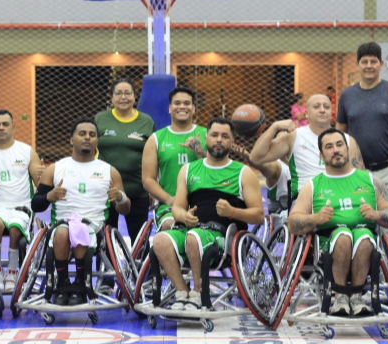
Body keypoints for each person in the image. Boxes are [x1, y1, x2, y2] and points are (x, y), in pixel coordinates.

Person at [151, 118, 265, 310]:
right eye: (214, 135)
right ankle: (182, 292)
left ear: (231, 142)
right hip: (192, 230)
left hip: (222, 238)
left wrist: (233, 211)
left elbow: (259, 215)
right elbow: (178, 207)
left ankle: (198, 293)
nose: (219, 139)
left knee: (194, 237)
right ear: (206, 138)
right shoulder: (188, 170)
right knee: (160, 239)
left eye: (225, 136)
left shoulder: (243, 172)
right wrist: (183, 216)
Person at [288, 128, 388, 317]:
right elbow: (292, 222)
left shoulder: (370, 180)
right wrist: (315, 218)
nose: (336, 150)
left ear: (348, 150)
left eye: (340, 145)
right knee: (343, 235)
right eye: (329, 147)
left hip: (365, 238)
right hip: (329, 243)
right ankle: (340, 297)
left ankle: (356, 298)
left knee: (364, 237)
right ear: (322, 155)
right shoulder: (313, 185)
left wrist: (376, 215)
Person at [32, 118, 130, 306]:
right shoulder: (55, 169)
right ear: (71, 140)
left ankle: (80, 285)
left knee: (81, 230)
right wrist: (49, 196)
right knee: (63, 231)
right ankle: (62, 284)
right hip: (62, 225)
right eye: (82, 134)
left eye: (92, 135)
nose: (87, 138)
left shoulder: (109, 171)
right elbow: (36, 205)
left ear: (96, 141)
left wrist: (120, 198)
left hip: (95, 227)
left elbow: (125, 210)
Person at [336, 42, 388, 258]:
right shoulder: (347, 95)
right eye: (364, 62)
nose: (369, 66)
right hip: (358, 175)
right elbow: (340, 135)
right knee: (359, 228)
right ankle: (365, 283)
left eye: (373, 62)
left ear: (381, 64)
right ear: (357, 65)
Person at [0, 109, 45, 292]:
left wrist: (44, 176)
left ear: (13, 127)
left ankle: (12, 272)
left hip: (21, 207)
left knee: (14, 228)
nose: (1, 128)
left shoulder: (27, 151)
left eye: (5, 124)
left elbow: (40, 185)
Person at [251, 94, 364, 200]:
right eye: (316, 106)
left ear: (332, 112)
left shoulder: (347, 140)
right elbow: (256, 157)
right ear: (306, 114)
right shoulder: (294, 136)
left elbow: (360, 178)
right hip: (305, 201)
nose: (322, 110)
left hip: (340, 198)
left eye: (326, 107)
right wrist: (274, 127)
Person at [95, 78, 155, 237]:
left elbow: (154, 157)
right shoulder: (100, 119)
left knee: (140, 243)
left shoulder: (146, 121)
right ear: (112, 97)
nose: (123, 97)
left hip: (138, 191)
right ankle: (107, 264)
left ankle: (137, 264)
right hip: (105, 191)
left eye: (128, 93)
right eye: (118, 93)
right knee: (106, 241)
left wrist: (153, 190)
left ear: (135, 96)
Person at [142, 87, 207, 231]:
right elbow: (148, 179)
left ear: (193, 108)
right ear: (170, 108)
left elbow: (219, 169)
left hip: (203, 202)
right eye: (177, 103)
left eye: (187, 103)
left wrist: (200, 151)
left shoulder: (207, 135)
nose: (182, 106)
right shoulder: (156, 139)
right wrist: (168, 199)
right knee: (170, 226)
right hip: (169, 205)